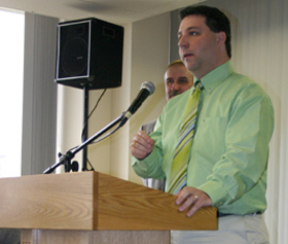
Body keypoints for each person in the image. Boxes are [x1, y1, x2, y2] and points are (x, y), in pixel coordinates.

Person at [130, 5, 274, 244]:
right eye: (179, 36)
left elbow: (244, 159)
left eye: (193, 33)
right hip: (176, 228)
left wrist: (209, 191)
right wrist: (144, 155)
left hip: (227, 228)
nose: (182, 43)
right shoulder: (174, 107)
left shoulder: (247, 95)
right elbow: (158, 167)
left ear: (220, 38)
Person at [141, 60, 194, 191]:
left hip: (195, 206)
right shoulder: (147, 130)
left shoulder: (203, 125)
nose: (174, 87)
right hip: (157, 207)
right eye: (169, 81)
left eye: (182, 81)